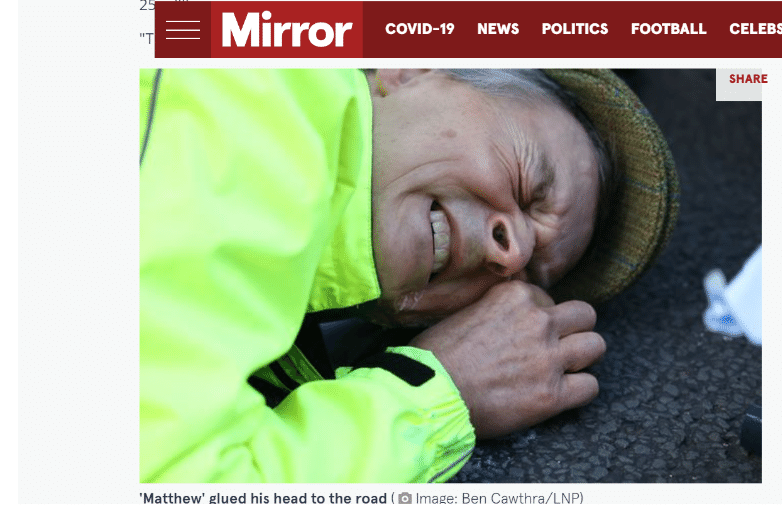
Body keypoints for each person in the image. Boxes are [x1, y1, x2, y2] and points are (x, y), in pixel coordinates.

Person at [140, 68, 678, 482]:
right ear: (408, 70)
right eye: (528, 181)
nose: (511, 254)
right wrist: (439, 393)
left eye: (527, 280)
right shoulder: (263, 119)